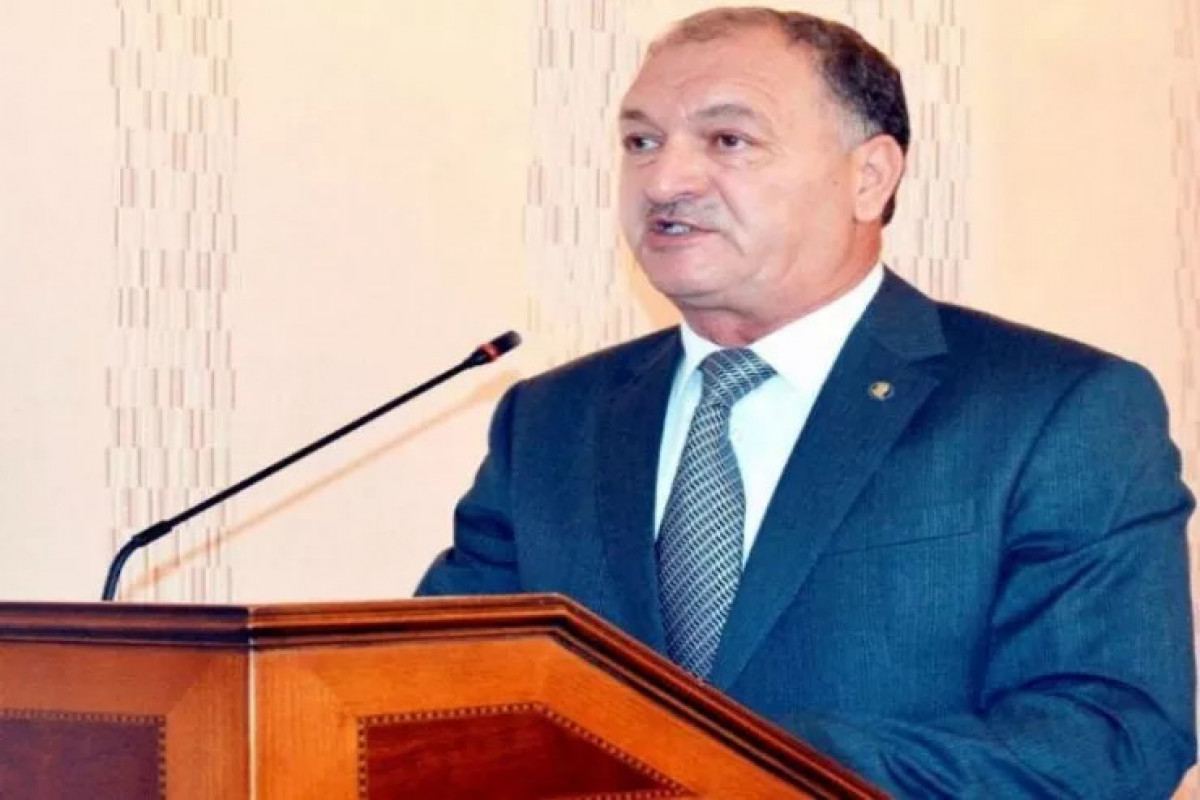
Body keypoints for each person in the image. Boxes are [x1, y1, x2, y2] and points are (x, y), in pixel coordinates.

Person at [418, 7, 1196, 796]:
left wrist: (737, 764)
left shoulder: (1053, 408)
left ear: (870, 177)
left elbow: (1110, 738)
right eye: (641, 142)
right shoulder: (550, 421)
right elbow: (436, 701)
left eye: (728, 140)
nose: (664, 180)